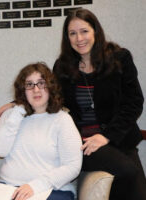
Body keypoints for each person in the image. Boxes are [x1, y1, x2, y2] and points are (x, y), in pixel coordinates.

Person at [52, 8, 146, 200]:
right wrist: (15, 104)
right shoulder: (63, 66)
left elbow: (134, 102)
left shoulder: (120, 58)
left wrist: (106, 136)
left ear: (95, 31)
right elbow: (49, 96)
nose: (79, 38)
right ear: (67, 38)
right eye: (72, 33)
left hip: (119, 139)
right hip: (85, 145)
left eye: (84, 31)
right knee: (128, 172)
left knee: (139, 191)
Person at [0, 63, 82, 200]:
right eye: (29, 85)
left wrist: (35, 186)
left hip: (51, 190)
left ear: (50, 87)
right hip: (8, 187)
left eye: (41, 83)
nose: (36, 90)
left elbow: (73, 165)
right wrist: (19, 111)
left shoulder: (62, 120)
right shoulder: (11, 115)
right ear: (22, 90)